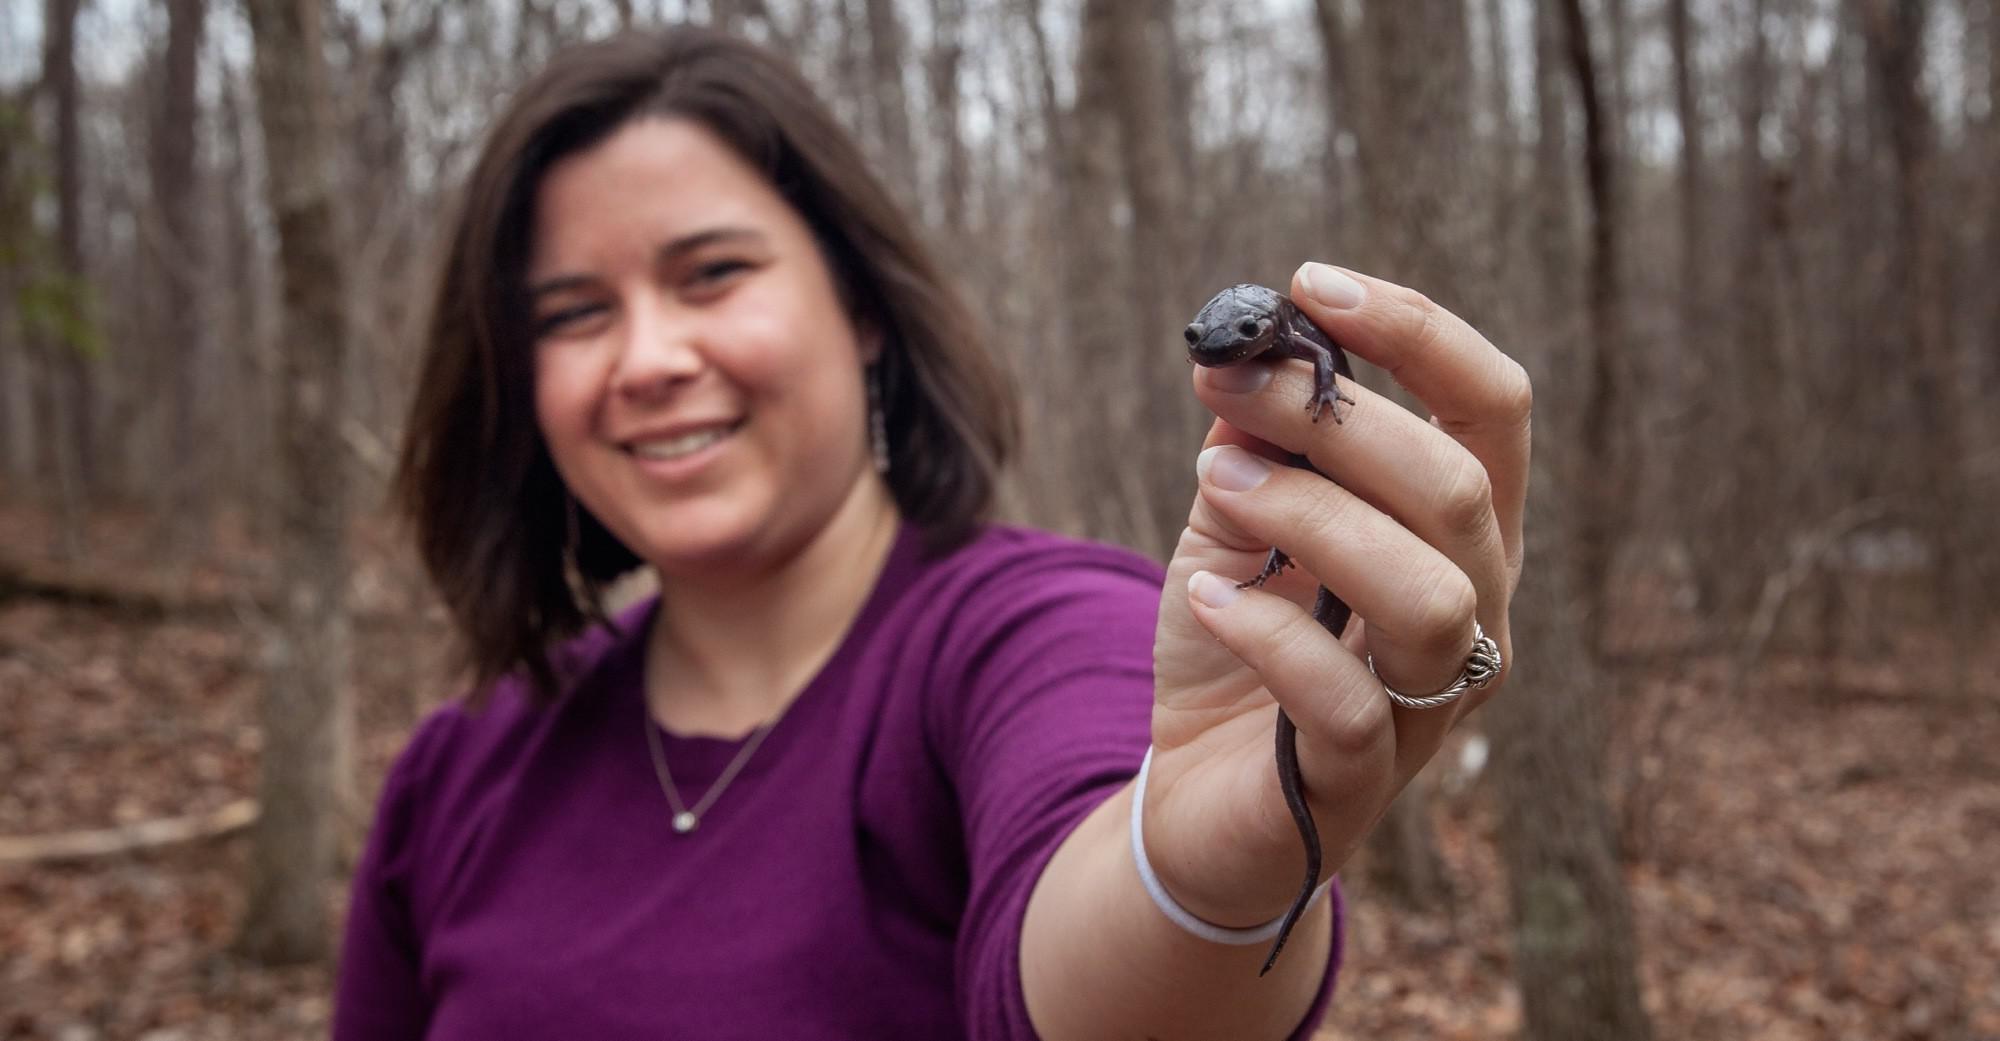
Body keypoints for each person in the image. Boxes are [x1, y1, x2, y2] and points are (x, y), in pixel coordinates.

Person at [334, 25, 1530, 1041]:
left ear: (857, 307)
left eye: (710, 274)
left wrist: (1197, 880)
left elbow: (1104, 922)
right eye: (575, 311)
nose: (648, 360)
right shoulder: (459, 770)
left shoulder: (1036, 636)